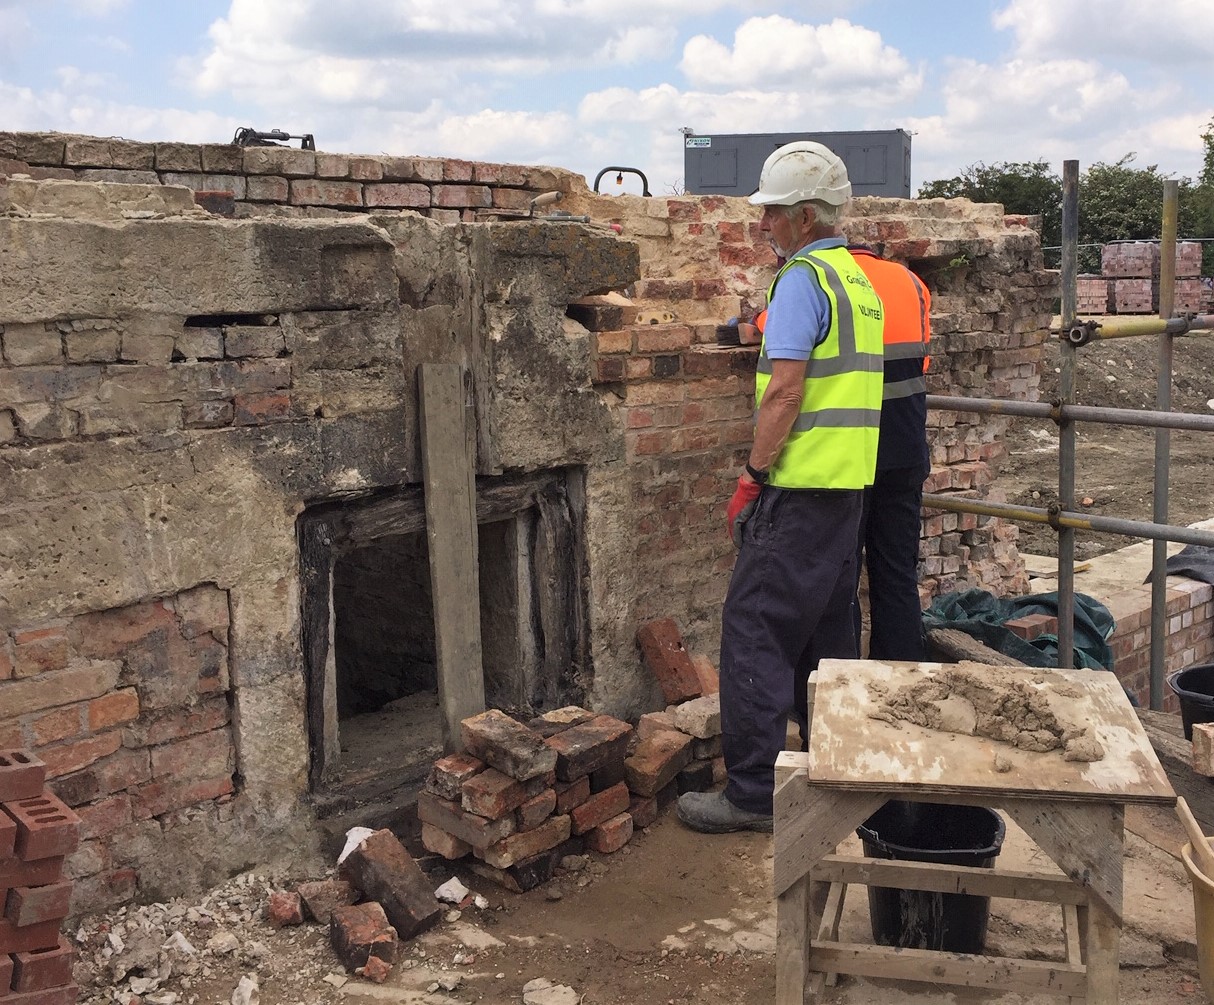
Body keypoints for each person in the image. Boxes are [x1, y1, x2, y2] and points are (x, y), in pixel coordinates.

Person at [676, 142, 885, 834]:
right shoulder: (856, 280)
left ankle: (751, 794)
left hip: (796, 489)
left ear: (802, 216)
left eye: (771, 215)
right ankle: (833, 764)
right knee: (826, 638)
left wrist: (753, 474)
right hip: (844, 492)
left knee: (754, 632)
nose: (765, 226)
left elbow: (786, 389)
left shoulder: (801, 280)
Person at [849, 245, 931, 661]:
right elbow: (923, 358)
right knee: (896, 573)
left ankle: (836, 688)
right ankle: (899, 678)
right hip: (906, 445)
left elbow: (778, 330)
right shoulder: (912, 283)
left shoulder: (830, 279)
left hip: (850, 450)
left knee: (839, 577)